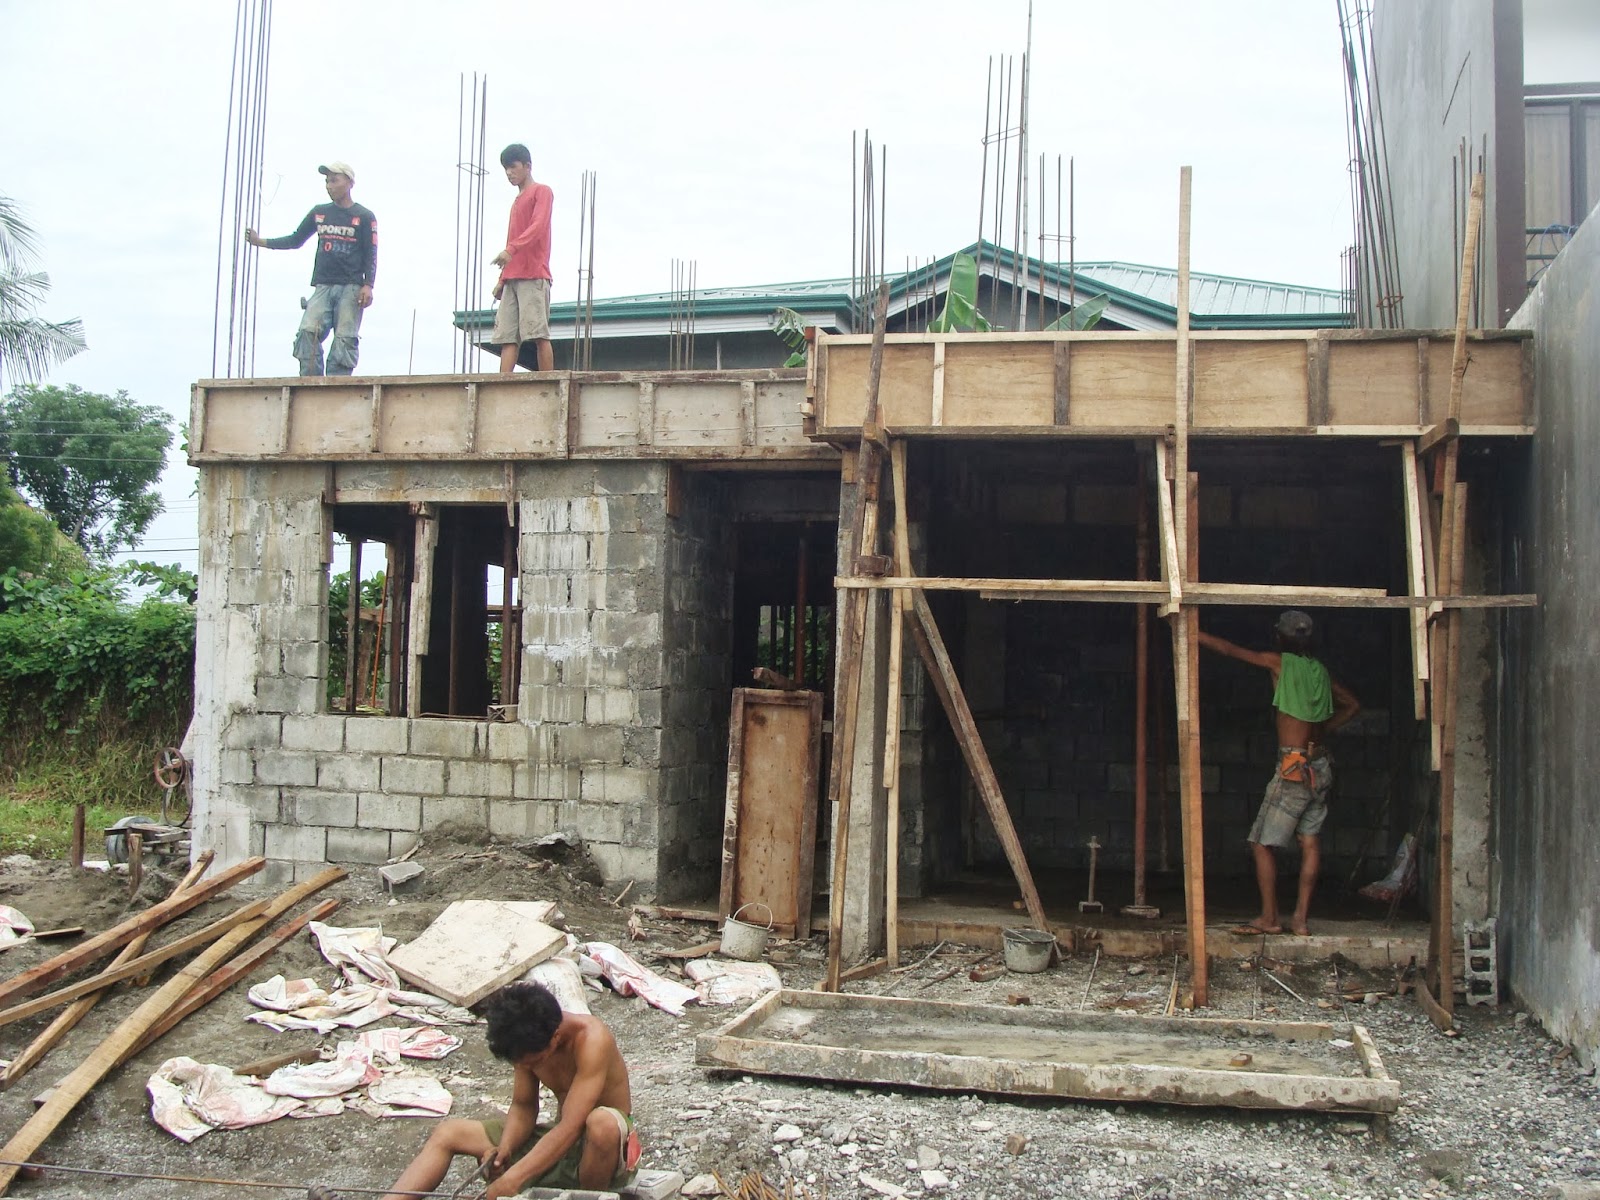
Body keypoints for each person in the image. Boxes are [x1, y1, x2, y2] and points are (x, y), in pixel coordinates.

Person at [374, 982, 638, 1200]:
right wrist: (506, 1148)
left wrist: (515, 1178)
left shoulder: (592, 1039)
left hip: (602, 1151)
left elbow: (571, 1126)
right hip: (558, 1142)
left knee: (601, 1123)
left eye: (534, 1062)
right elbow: (524, 1106)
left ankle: (586, 1196)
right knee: (449, 1133)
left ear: (555, 1038)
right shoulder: (525, 1042)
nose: (527, 1067)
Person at [1197, 610, 1360, 937]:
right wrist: (1323, 729)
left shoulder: (1280, 663)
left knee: (1260, 843)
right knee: (1309, 842)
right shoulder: (1320, 671)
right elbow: (1353, 704)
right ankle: (1299, 920)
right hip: (1321, 764)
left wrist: (1192, 633)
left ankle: (1269, 917)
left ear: (1279, 636)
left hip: (1294, 767)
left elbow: (1232, 651)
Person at [245, 161, 376, 376]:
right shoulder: (320, 213)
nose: (329, 186)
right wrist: (261, 242)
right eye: (327, 181)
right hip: (323, 285)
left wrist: (368, 284)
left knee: (345, 338)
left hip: (351, 286)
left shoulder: (363, 216)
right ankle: (311, 384)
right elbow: (296, 239)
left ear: (349, 183)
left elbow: (371, 251)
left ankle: (338, 387)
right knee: (308, 332)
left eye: (334, 180)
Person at [490, 144, 555, 374]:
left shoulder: (541, 191)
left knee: (538, 333)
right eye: (506, 169)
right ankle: (502, 384)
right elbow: (512, 239)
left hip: (533, 273)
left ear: (527, 166)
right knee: (508, 336)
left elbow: (537, 227)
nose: (509, 173)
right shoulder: (516, 202)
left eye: (513, 167)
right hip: (512, 276)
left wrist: (512, 249)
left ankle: (549, 383)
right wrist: (502, 278)